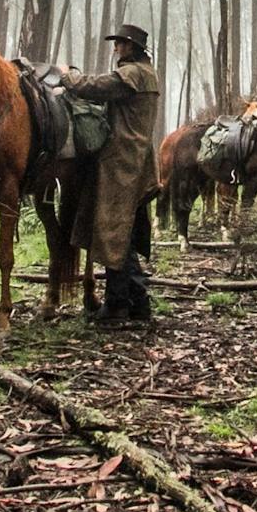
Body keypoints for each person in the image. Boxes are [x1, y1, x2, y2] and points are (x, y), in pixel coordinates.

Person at [63, 23, 160, 323]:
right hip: (136, 162)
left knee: (114, 235)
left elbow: (95, 87)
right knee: (124, 235)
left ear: (130, 46)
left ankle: (117, 306)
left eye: (119, 43)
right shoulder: (148, 73)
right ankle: (139, 305)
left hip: (122, 164)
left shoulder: (132, 74)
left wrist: (69, 76)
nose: (115, 48)